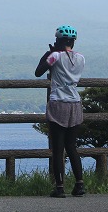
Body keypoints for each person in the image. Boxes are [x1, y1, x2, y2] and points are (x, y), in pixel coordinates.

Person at [35, 25, 86, 198]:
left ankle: (60, 187)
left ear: (58, 41)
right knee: (72, 147)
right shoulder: (81, 58)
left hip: (58, 103)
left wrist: (49, 53)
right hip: (75, 103)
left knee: (58, 149)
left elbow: (39, 71)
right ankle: (79, 185)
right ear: (72, 41)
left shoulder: (55, 56)